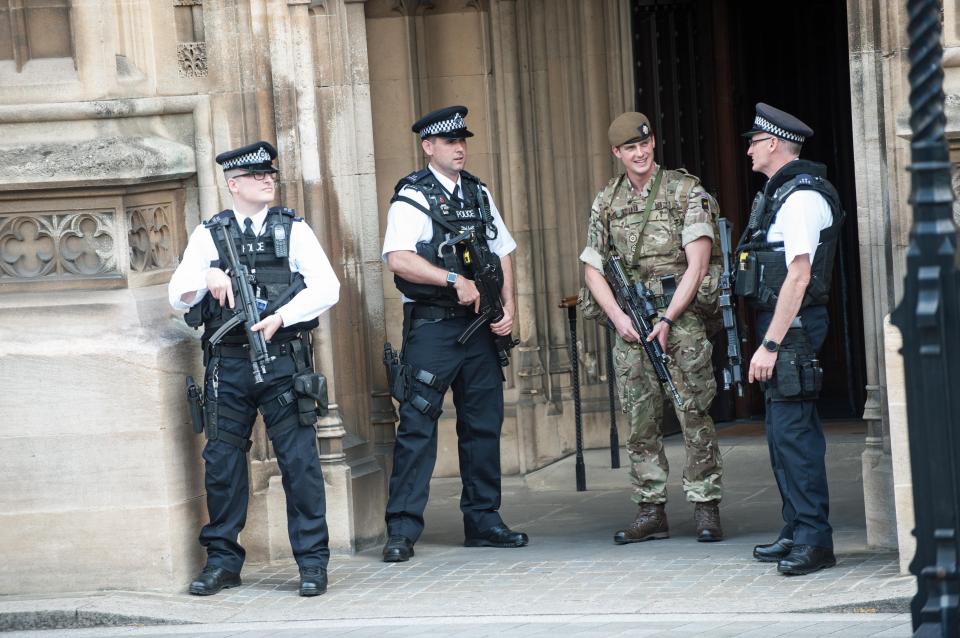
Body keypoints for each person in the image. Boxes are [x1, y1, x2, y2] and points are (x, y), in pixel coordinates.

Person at [168, 141, 340, 596]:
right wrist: (207, 277)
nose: (268, 180)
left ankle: (312, 562)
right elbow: (175, 294)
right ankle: (223, 561)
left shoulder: (293, 229)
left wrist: (283, 316)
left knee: (300, 462)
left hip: (282, 361)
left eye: (270, 174)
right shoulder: (210, 234)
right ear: (233, 184)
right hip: (229, 365)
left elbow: (328, 287)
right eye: (257, 175)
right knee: (222, 464)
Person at [380, 105, 527, 562]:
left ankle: (483, 520)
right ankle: (402, 530)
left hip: (481, 328)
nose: (459, 147)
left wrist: (510, 306)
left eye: (462, 140)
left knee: (483, 426)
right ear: (429, 146)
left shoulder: (479, 193)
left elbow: (502, 251)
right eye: (449, 142)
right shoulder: (413, 196)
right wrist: (451, 280)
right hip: (434, 328)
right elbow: (397, 258)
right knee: (418, 428)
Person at [580, 112, 724, 545]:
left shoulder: (685, 191)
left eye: (645, 145)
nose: (640, 153)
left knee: (692, 411)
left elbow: (697, 265)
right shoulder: (607, 201)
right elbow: (591, 267)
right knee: (640, 420)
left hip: (679, 322)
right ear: (616, 153)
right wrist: (620, 318)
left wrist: (666, 319)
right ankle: (650, 508)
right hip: (632, 326)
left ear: (653, 143)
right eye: (630, 149)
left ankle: (705, 505)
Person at [737, 103, 844, 575]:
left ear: (774, 144)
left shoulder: (800, 198)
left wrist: (772, 344)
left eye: (755, 142)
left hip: (793, 330)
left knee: (795, 434)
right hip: (783, 326)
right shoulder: (780, 194)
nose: (748, 150)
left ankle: (814, 540)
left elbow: (798, 277)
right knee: (782, 432)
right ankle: (796, 528)